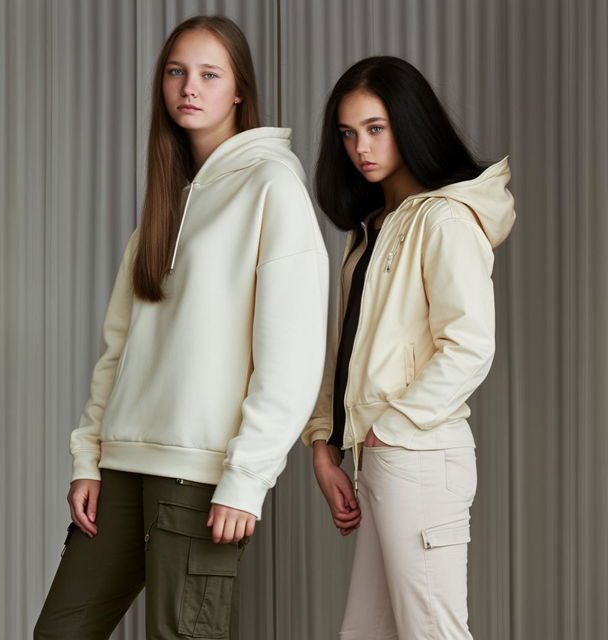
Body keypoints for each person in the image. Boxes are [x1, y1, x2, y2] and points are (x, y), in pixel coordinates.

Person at [35, 15, 328, 640]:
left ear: (238, 90)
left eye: (208, 74)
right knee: (60, 631)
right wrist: (88, 455)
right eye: (176, 72)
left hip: (201, 472)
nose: (188, 87)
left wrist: (247, 478)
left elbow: (293, 354)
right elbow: (120, 348)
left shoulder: (271, 185)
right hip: (121, 465)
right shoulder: (166, 204)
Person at [302, 56, 515, 639]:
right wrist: (325, 444)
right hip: (381, 459)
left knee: (432, 633)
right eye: (348, 134)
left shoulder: (444, 221)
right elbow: (341, 350)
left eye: (376, 128)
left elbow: (470, 346)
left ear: (409, 123)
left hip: (418, 457)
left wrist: (389, 427)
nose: (360, 148)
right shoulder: (372, 228)